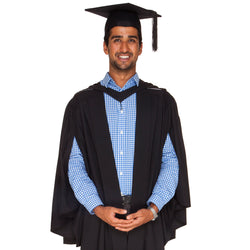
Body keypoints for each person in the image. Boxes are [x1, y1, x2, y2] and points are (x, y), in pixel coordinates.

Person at [51, 3, 190, 250]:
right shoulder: (82, 104)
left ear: (141, 47)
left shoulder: (161, 102)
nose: (124, 48)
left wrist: (153, 209)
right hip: (98, 225)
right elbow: (74, 164)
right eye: (117, 40)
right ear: (105, 46)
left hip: (146, 224)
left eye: (132, 40)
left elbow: (171, 161)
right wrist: (98, 208)